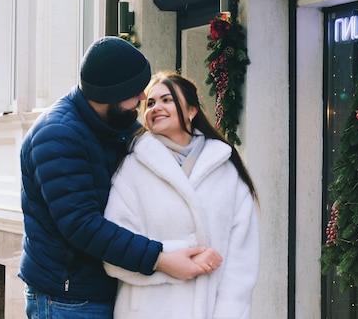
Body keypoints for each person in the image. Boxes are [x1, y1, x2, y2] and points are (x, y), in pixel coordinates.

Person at [18, 37, 222, 319]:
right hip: (69, 300)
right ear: (110, 96)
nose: (142, 99)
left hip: (109, 290)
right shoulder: (57, 137)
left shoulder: (115, 124)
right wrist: (160, 259)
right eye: (136, 92)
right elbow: (82, 225)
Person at [104, 70, 260, 319]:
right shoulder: (131, 170)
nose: (156, 108)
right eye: (151, 103)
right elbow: (115, 253)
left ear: (191, 111)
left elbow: (242, 259)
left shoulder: (225, 169)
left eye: (167, 100)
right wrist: (180, 255)